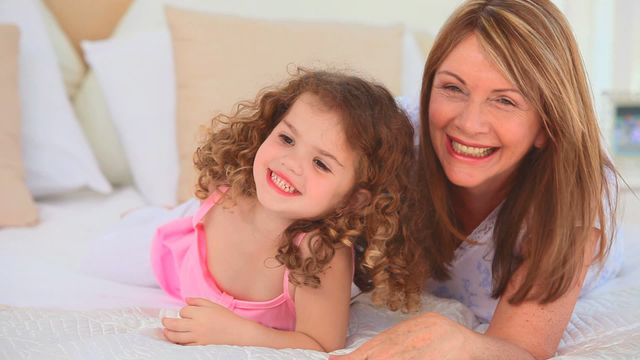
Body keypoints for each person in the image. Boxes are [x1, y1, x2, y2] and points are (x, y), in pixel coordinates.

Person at [333, 0, 622, 359]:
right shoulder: (393, 139)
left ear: (547, 126)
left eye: (505, 101)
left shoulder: (570, 201)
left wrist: (461, 343)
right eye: (453, 88)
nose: (469, 124)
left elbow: (520, 346)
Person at [151, 69, 422, 351]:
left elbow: (321, 343)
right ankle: (149, 212)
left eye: (321, 164)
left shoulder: (320, 254)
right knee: (123, 237)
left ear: (353, 200)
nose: (291, 163)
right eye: (287, 139)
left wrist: (234, 332)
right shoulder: (232, 188)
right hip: (172, 243)